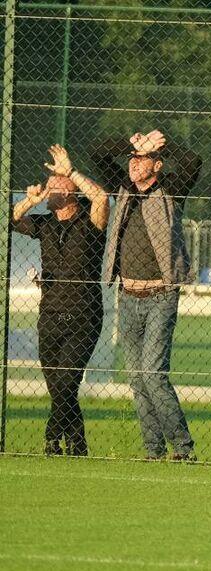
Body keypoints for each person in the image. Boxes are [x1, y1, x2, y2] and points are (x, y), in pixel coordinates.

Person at [90, 129, 202, 461]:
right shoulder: (123, 187)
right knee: (137, 379)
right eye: (132, 160)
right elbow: (97, 152)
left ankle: (183, 447)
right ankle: (153, 450)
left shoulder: (171, 189)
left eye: (142, 159)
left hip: (160, 295)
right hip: (127, 294)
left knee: (153, 373)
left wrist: (162, 144)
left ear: (158, 165)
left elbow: (193, 162)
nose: (134, 164)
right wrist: (131, 143)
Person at [11, 145, 110, 456]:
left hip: (84, 316)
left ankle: (52, 438)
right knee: (58, 387)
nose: (47, 189)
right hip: (50, 316)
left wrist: (71, 172)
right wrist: (30, 201)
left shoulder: (90, 223)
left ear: (69, 192)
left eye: (53, 185)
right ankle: (78, 444)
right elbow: (11, 218)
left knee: (67, 382)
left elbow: (101, 198)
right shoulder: (45, 223)